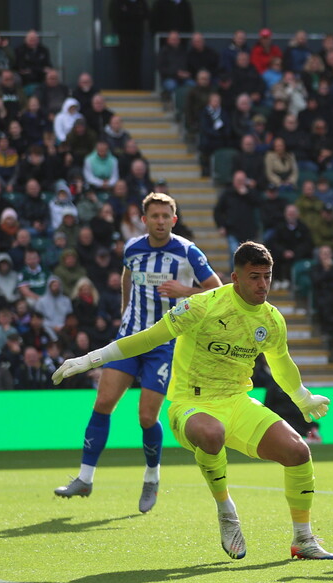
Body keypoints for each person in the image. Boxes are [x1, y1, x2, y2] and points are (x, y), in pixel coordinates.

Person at [53, 241, 333, 561]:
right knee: (212, 433)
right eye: (254, 277)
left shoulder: (271, 319)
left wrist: (303, 397)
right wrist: (92, 359)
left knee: (299, 451)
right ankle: (226, 512)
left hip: (237, 402)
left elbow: (281, 364)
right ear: (235, 278)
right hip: (191, 403)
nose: (262, 284)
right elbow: (150, 337)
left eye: (267, 276)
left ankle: (302, 539)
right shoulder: (202, 305)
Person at [53, 193, 221, 513]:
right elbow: (128, 276)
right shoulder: (133, 248)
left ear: (174, 219)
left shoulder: (187, 252)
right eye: (154, 216)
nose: (160, 221)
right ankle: (85, 478)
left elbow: (217, 289)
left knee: (146, 417)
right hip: (130, 336)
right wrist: (124, 309)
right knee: (103, 403)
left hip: (166, 343)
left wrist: (185, 291)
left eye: (165, 216)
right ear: (144, 220)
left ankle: (152, 476)